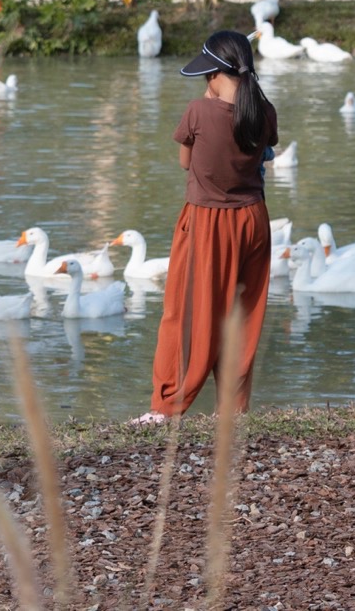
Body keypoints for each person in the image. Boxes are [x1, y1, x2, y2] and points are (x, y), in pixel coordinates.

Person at [135, 29, 277, 425]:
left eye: (205, 76)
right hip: (254, 220)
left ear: (214, 76)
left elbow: (185, 163)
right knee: (243, 316)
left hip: (205, 223)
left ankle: (166, 408)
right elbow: (262, 156)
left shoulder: (199, 111)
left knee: (184, 314)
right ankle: (232, 411)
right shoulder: (265, 112)